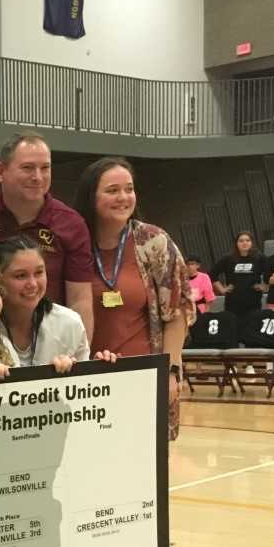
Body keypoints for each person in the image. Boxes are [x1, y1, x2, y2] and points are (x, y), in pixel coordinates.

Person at [73, 157, 191, 439]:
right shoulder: (74, 242)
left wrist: (170, 372)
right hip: (87, 383)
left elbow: (178, 311)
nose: (123, 197)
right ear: (91, 196)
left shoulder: (153, 241)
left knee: (146, 472)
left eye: (129, 189)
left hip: (144, 377)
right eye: (112, 190)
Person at [0, 131, 94, 328]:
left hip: (51, 343)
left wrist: (81, 355)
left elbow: (79, 299)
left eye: (45, 168)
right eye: (28, 168)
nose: (38, 177)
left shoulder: (71, 224)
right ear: (0, 171)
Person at [0, 236, 117, 372]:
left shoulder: (69, 323)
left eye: (39, 272)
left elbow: (84, 385)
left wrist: (97, 370)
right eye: (21, 276)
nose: (33, 284)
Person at [211, 231, 264, 320]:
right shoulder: (228, 258)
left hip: (253, 302)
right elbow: (212, 274)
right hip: (233, 303)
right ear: (236, 243)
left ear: (252, 243)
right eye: (241, 241)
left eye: (247, 240)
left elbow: (270, 272)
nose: (245, 243)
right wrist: (222, 290)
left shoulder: (259, 257)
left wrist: (265, 286)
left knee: (252, 329)